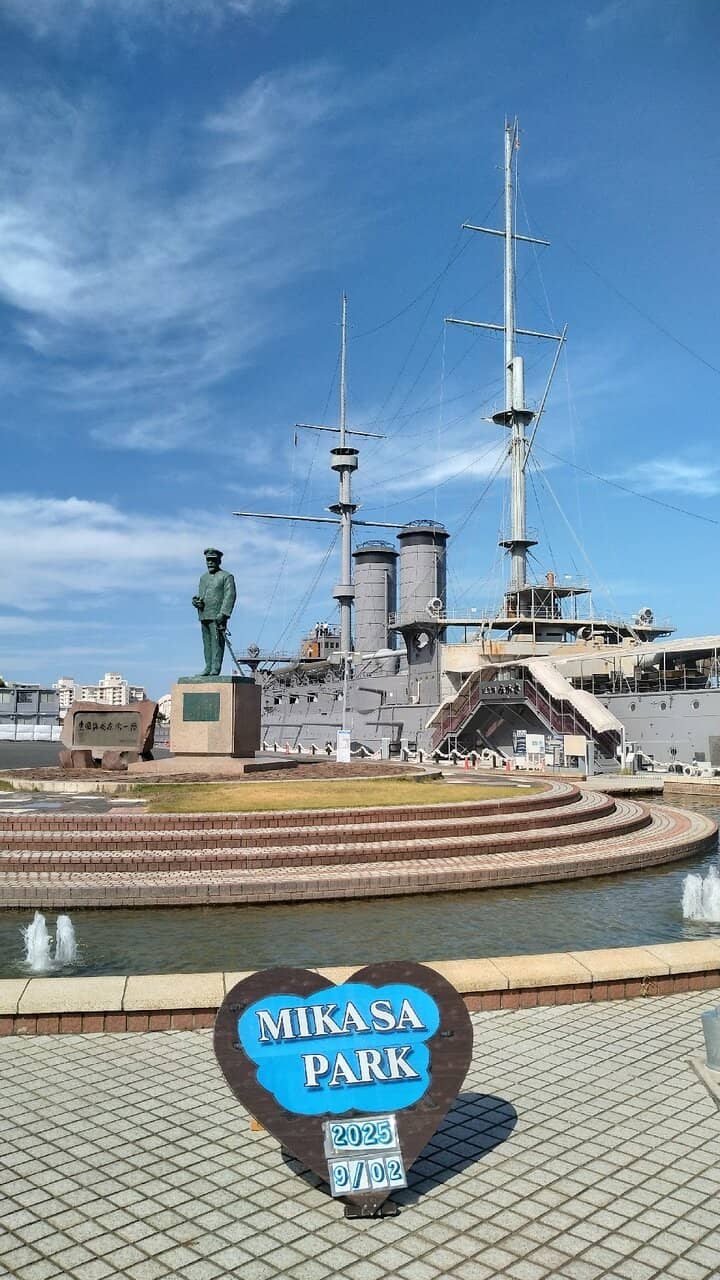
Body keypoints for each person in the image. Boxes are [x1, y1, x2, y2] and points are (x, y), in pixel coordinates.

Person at [192, 548, 237, 677]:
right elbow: (202, 596)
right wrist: (196, 602)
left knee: (217, 643)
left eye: (213, 560)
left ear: (219, 561)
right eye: (208, 560)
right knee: (207, 644)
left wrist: (223, 613)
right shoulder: (203, 578)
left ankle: (215, 668)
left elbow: (230, 595)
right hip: (204, 615)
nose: (210, 563)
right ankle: (208, 666)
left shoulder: (226, 576)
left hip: (217, 616)